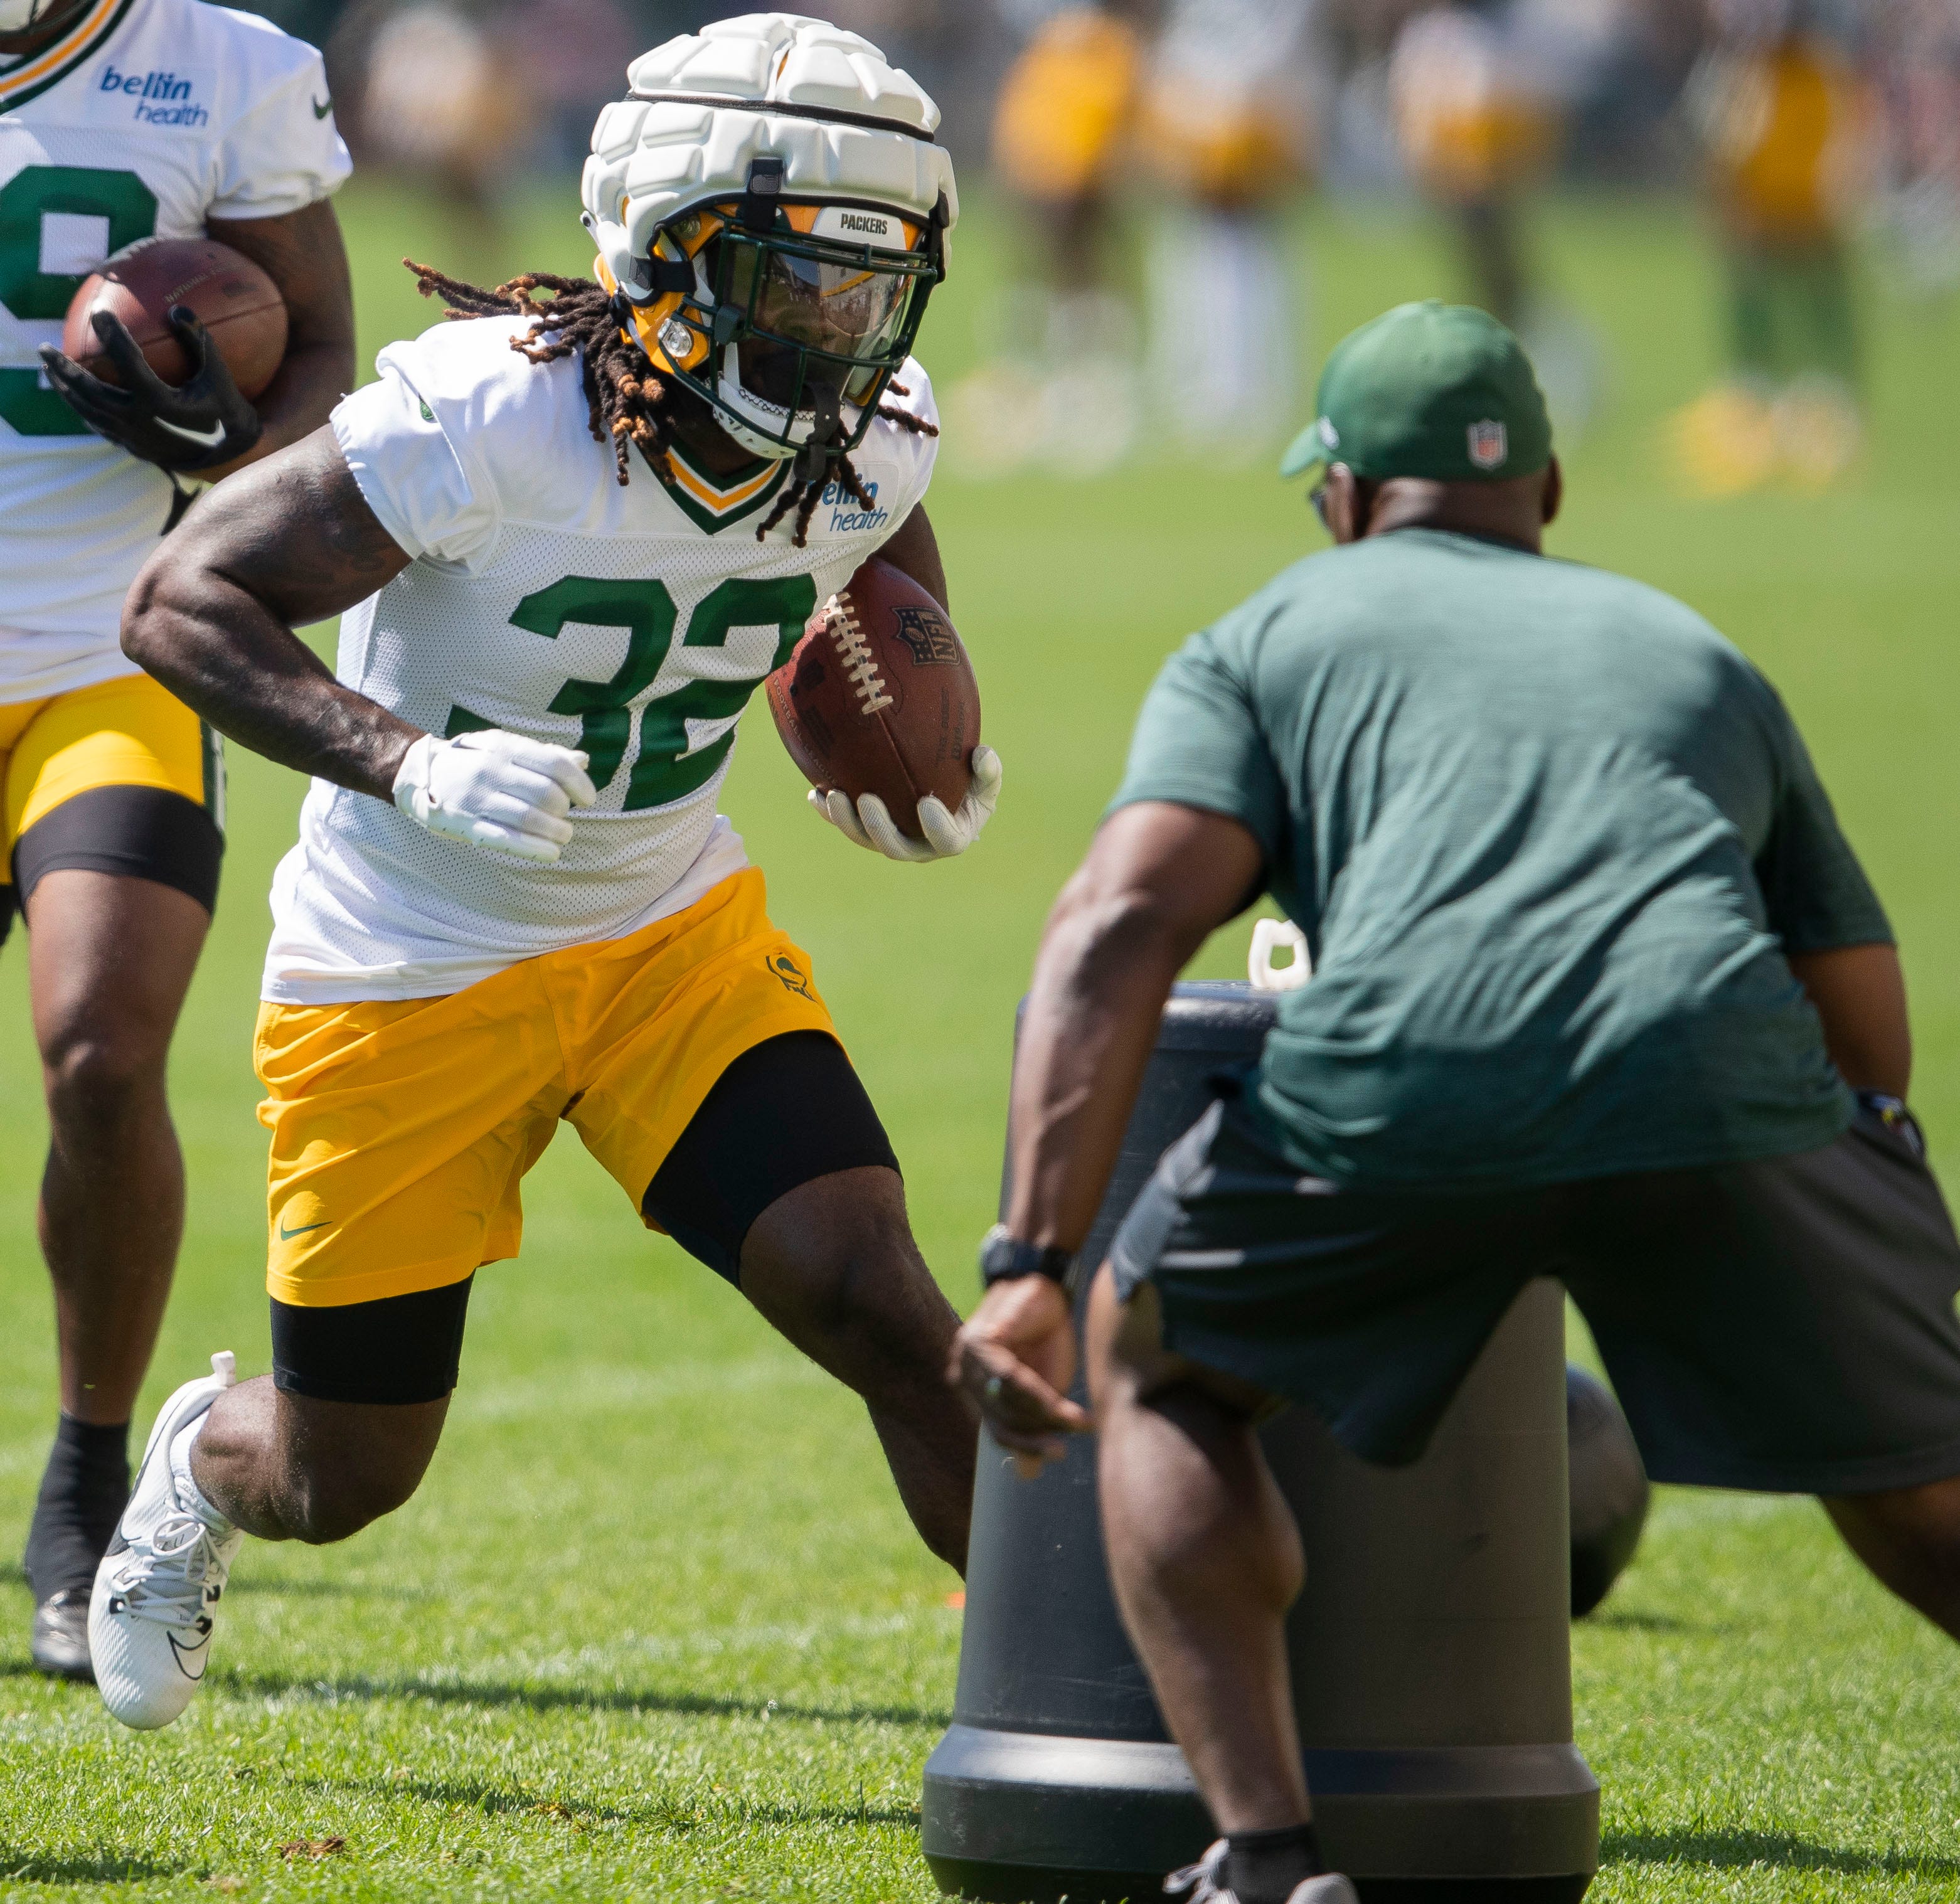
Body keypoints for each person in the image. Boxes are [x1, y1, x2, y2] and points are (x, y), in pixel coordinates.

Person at [950, 300, 1960, 1904]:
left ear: (1339, 498)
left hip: (1407, 1075)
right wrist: (1858, 1240)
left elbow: (1121, 923)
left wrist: (1027, 1272)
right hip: (1719, 1070)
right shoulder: (1689, 650)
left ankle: (1271, 1862)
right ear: (1546, 495)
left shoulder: (1270, 635)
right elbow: (1859, 1011)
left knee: (1156, 1367)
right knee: (1917, 1486)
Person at [88, 11, 997, 1731]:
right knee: (346, 1469)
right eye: (800, 282)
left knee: (883, 1304)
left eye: (874, 289)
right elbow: (178, 601)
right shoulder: (490, 417)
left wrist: (913, 711)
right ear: (665, 254)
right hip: (404, 966)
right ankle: (201, 1465)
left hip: (666, 933)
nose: (844, 334)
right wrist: (405, 758)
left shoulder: (877, 417)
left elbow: (869, 510)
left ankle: (1083, 1707)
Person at [0, 0, 353, 1679]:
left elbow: (334, 356)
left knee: (96, 1055)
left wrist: (235, 449)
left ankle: (84, 1471)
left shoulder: (220, 66)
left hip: (100, 654)